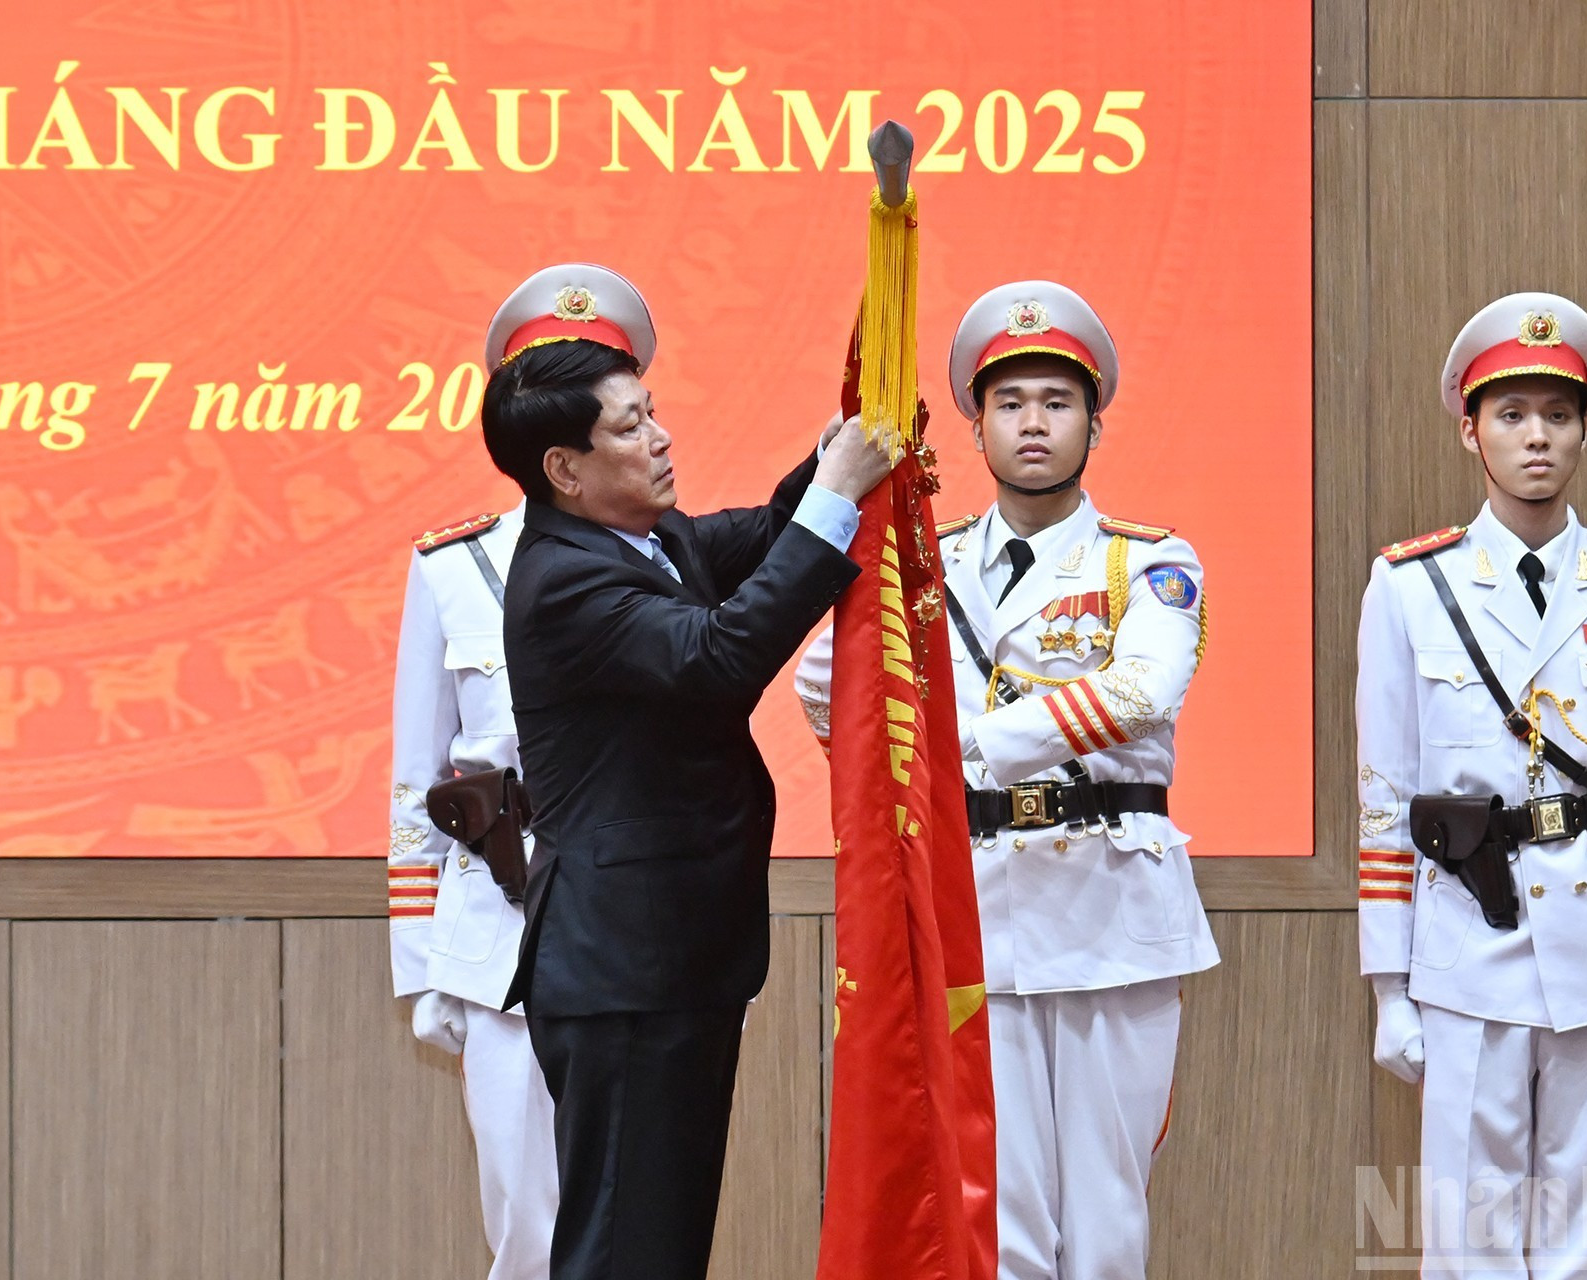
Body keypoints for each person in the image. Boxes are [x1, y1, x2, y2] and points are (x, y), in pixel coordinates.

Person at [796, 280, 1218, 1280]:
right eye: (1013, 402)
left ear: (1095, 423)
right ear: (977, 426)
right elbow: (831, 681)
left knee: (1107, 1217)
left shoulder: (1147, 560)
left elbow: (1143, 689)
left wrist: (962, 747)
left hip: (1112, 908)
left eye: (1058, 401)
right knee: (1004, 1216)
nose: (1035, 422)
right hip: (979, 908)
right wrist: (895, 776)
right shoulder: (925, 560)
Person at [480, 262, 894, 1280]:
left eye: (652, 412)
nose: (660, 438)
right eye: (629, 427)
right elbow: (717, 660)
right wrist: (835, 501)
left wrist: (836, 451)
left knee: (658, 1246)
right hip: (623, 969)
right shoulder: (563, 579)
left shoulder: (647, 539)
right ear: (565, 470)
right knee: (625, 1248)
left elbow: (758, 538)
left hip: (671, 962)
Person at [1356, 291, 1587, 1277]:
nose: (1537, 437)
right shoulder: (1410, 585)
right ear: (1471, 431)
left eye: (1558, 414)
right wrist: (1390, 982)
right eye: (1511, 415)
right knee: (1468, 1235)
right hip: (1468, 934)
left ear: (1586, 429)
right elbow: (1384, 789)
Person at [388, 499, 556, 1279]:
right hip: (502, 929)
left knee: (641, 1211)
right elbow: (419, 784)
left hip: (636, 920)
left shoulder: (664, 554)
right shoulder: (454, 566)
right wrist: (424, 964)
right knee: (526, 1220)